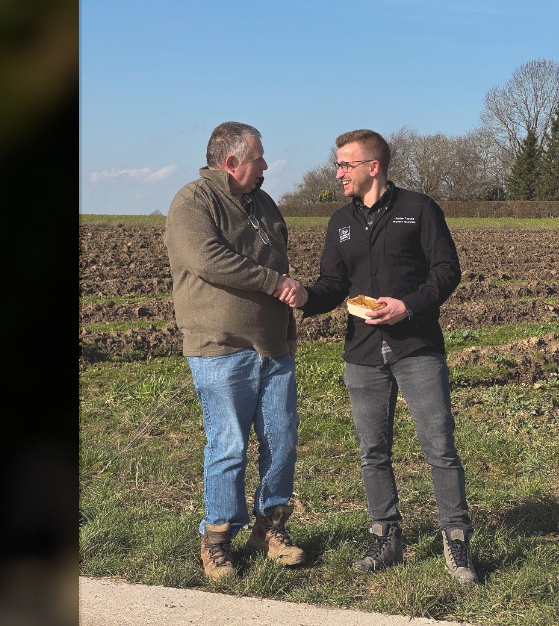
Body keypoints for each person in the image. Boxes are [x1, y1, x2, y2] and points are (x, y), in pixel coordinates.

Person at [292, 128, 474, 585]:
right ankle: (385, 536)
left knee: (439, 447)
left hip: (417, 347)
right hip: (362, 353)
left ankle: (457, 542)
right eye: (337, 165)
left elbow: (447, 270)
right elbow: (333, 285)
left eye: (345, 165)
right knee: (373, 451)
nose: (338, 174)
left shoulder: (419, 210)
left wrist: (407, 305)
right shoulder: (340, 222)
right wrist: (304, 297)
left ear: (373, 167)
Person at [162, 121, 307, 581]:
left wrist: (287, 331)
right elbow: (208, 259)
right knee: (228, 446)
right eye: (258, 157)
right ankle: (217, 540)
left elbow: (279, 263)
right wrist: (273, 283)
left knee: (281, 440)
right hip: (219, 348)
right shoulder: (192, 202)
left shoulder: (263, 203)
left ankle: (270, 528)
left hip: (272, 347)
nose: (265, 165)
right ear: (231, 163)